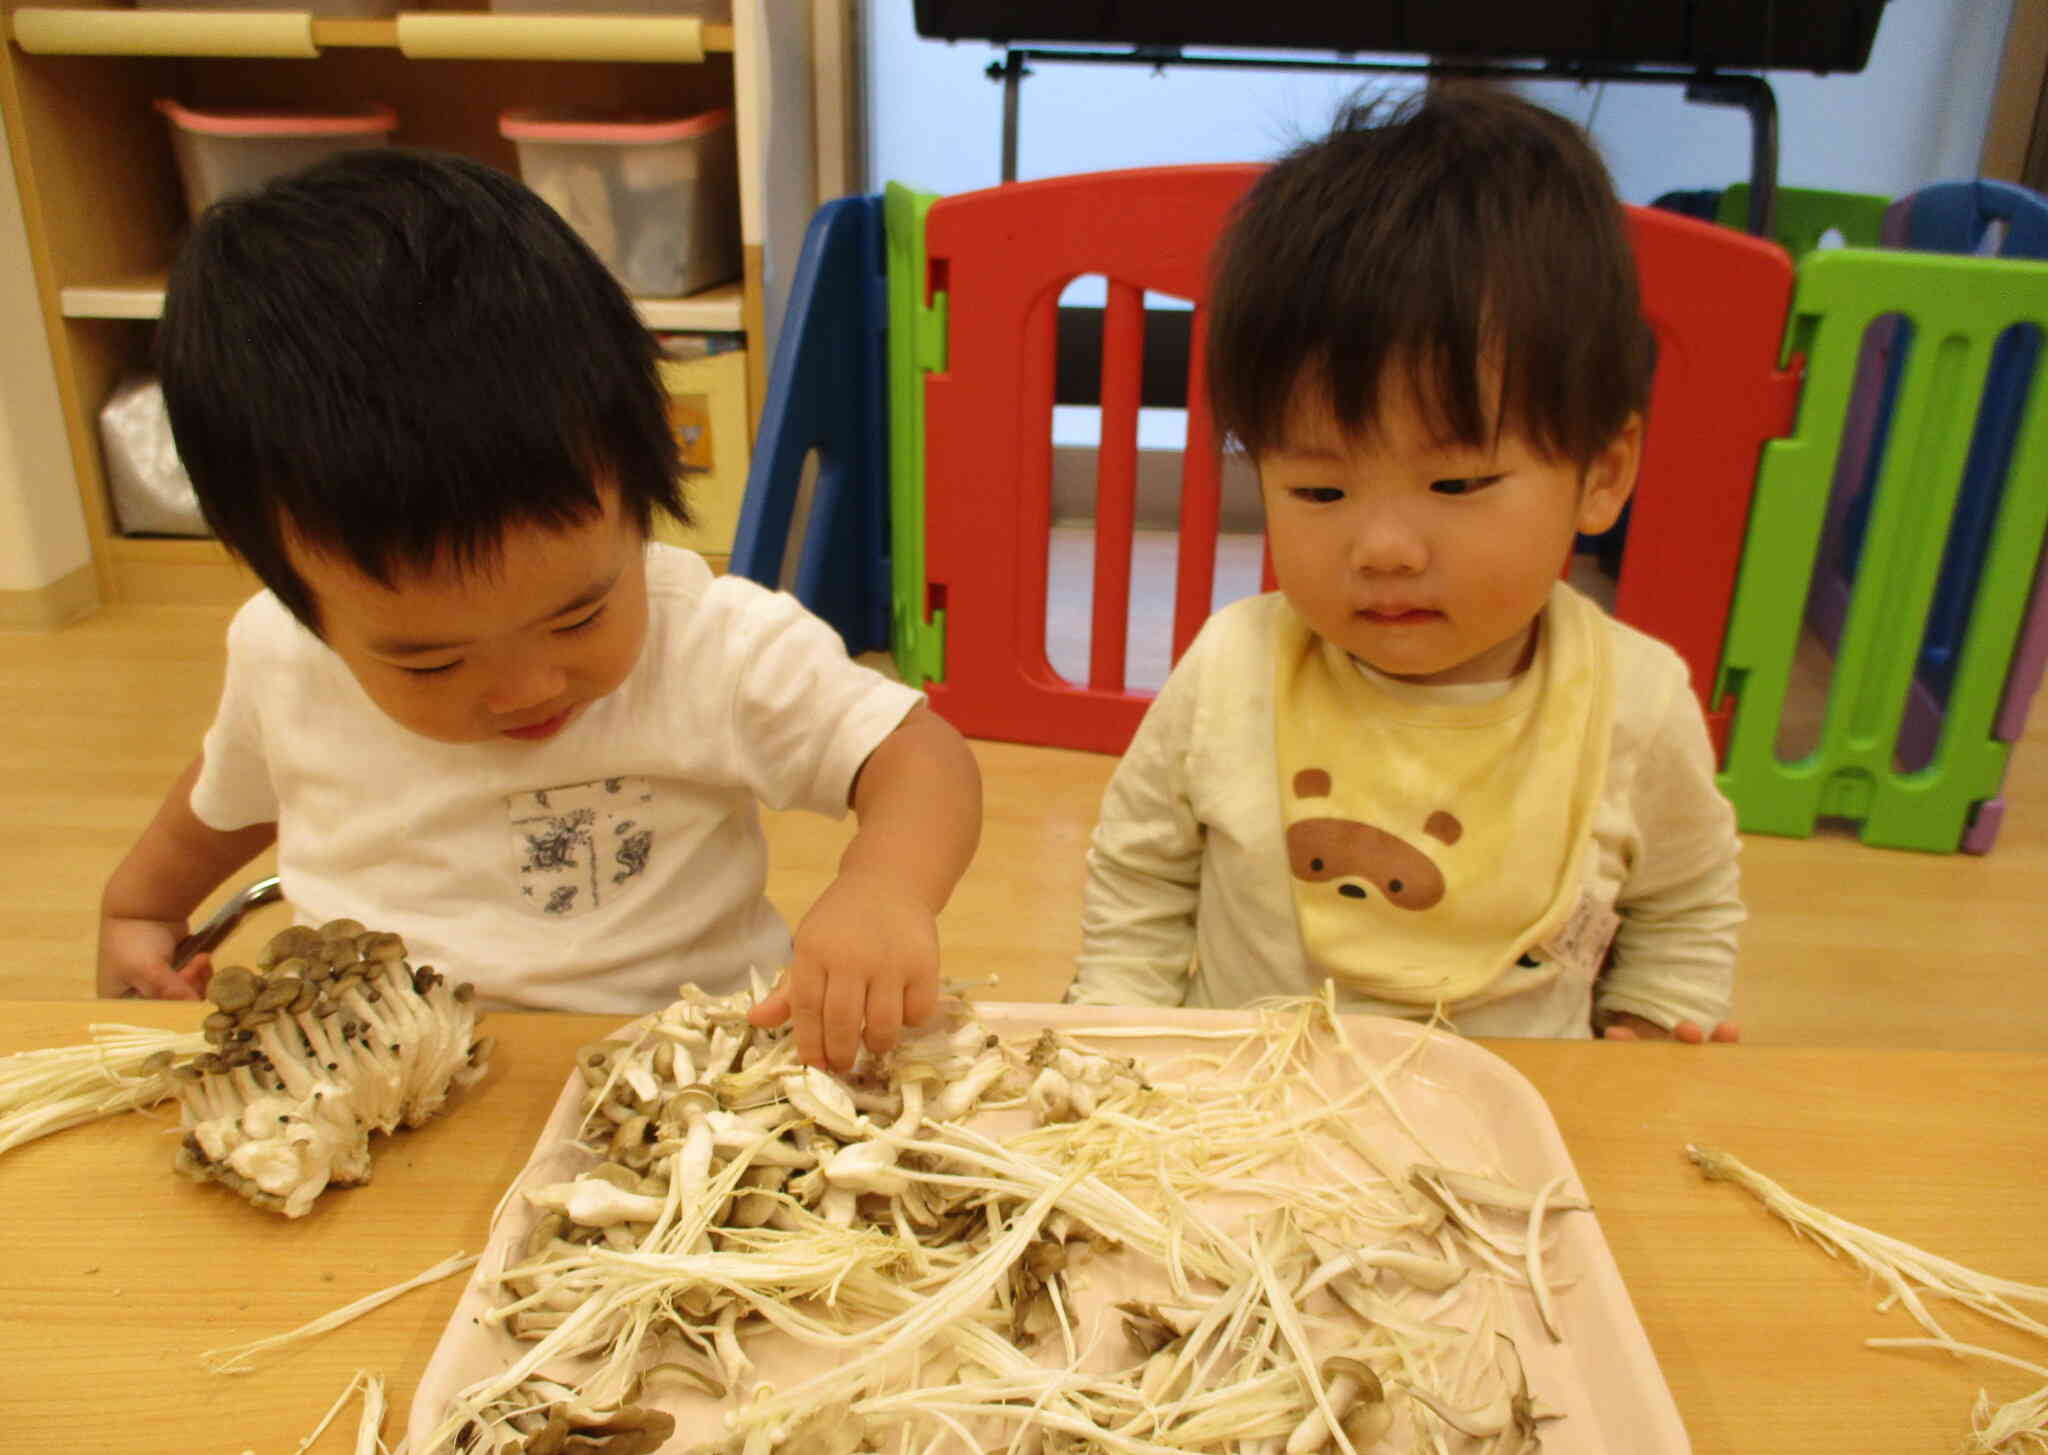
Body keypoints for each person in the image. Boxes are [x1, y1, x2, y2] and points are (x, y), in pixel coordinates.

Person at [97, 148, 982, 1073]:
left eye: (579, 617)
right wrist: (141, 908)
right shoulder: (282, 656)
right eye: (433, 661)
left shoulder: (710, 642)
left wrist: (885, 888)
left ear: (640, 498)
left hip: (686, 1076)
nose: (528, 688)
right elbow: (234, 793)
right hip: (378, 1074)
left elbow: (918, 757)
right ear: (298, 594)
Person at [1068, 86, 1742, 1042]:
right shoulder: (1233, 669)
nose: (1383, 549)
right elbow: (1141, 875)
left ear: (1601, 475)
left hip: (1519, 1112)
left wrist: (1654, 1024)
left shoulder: (1634, 703)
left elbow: (1685, 906)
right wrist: (1119, 1032)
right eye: (1319, 491)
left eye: (1458, 483)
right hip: (1241, 1109)